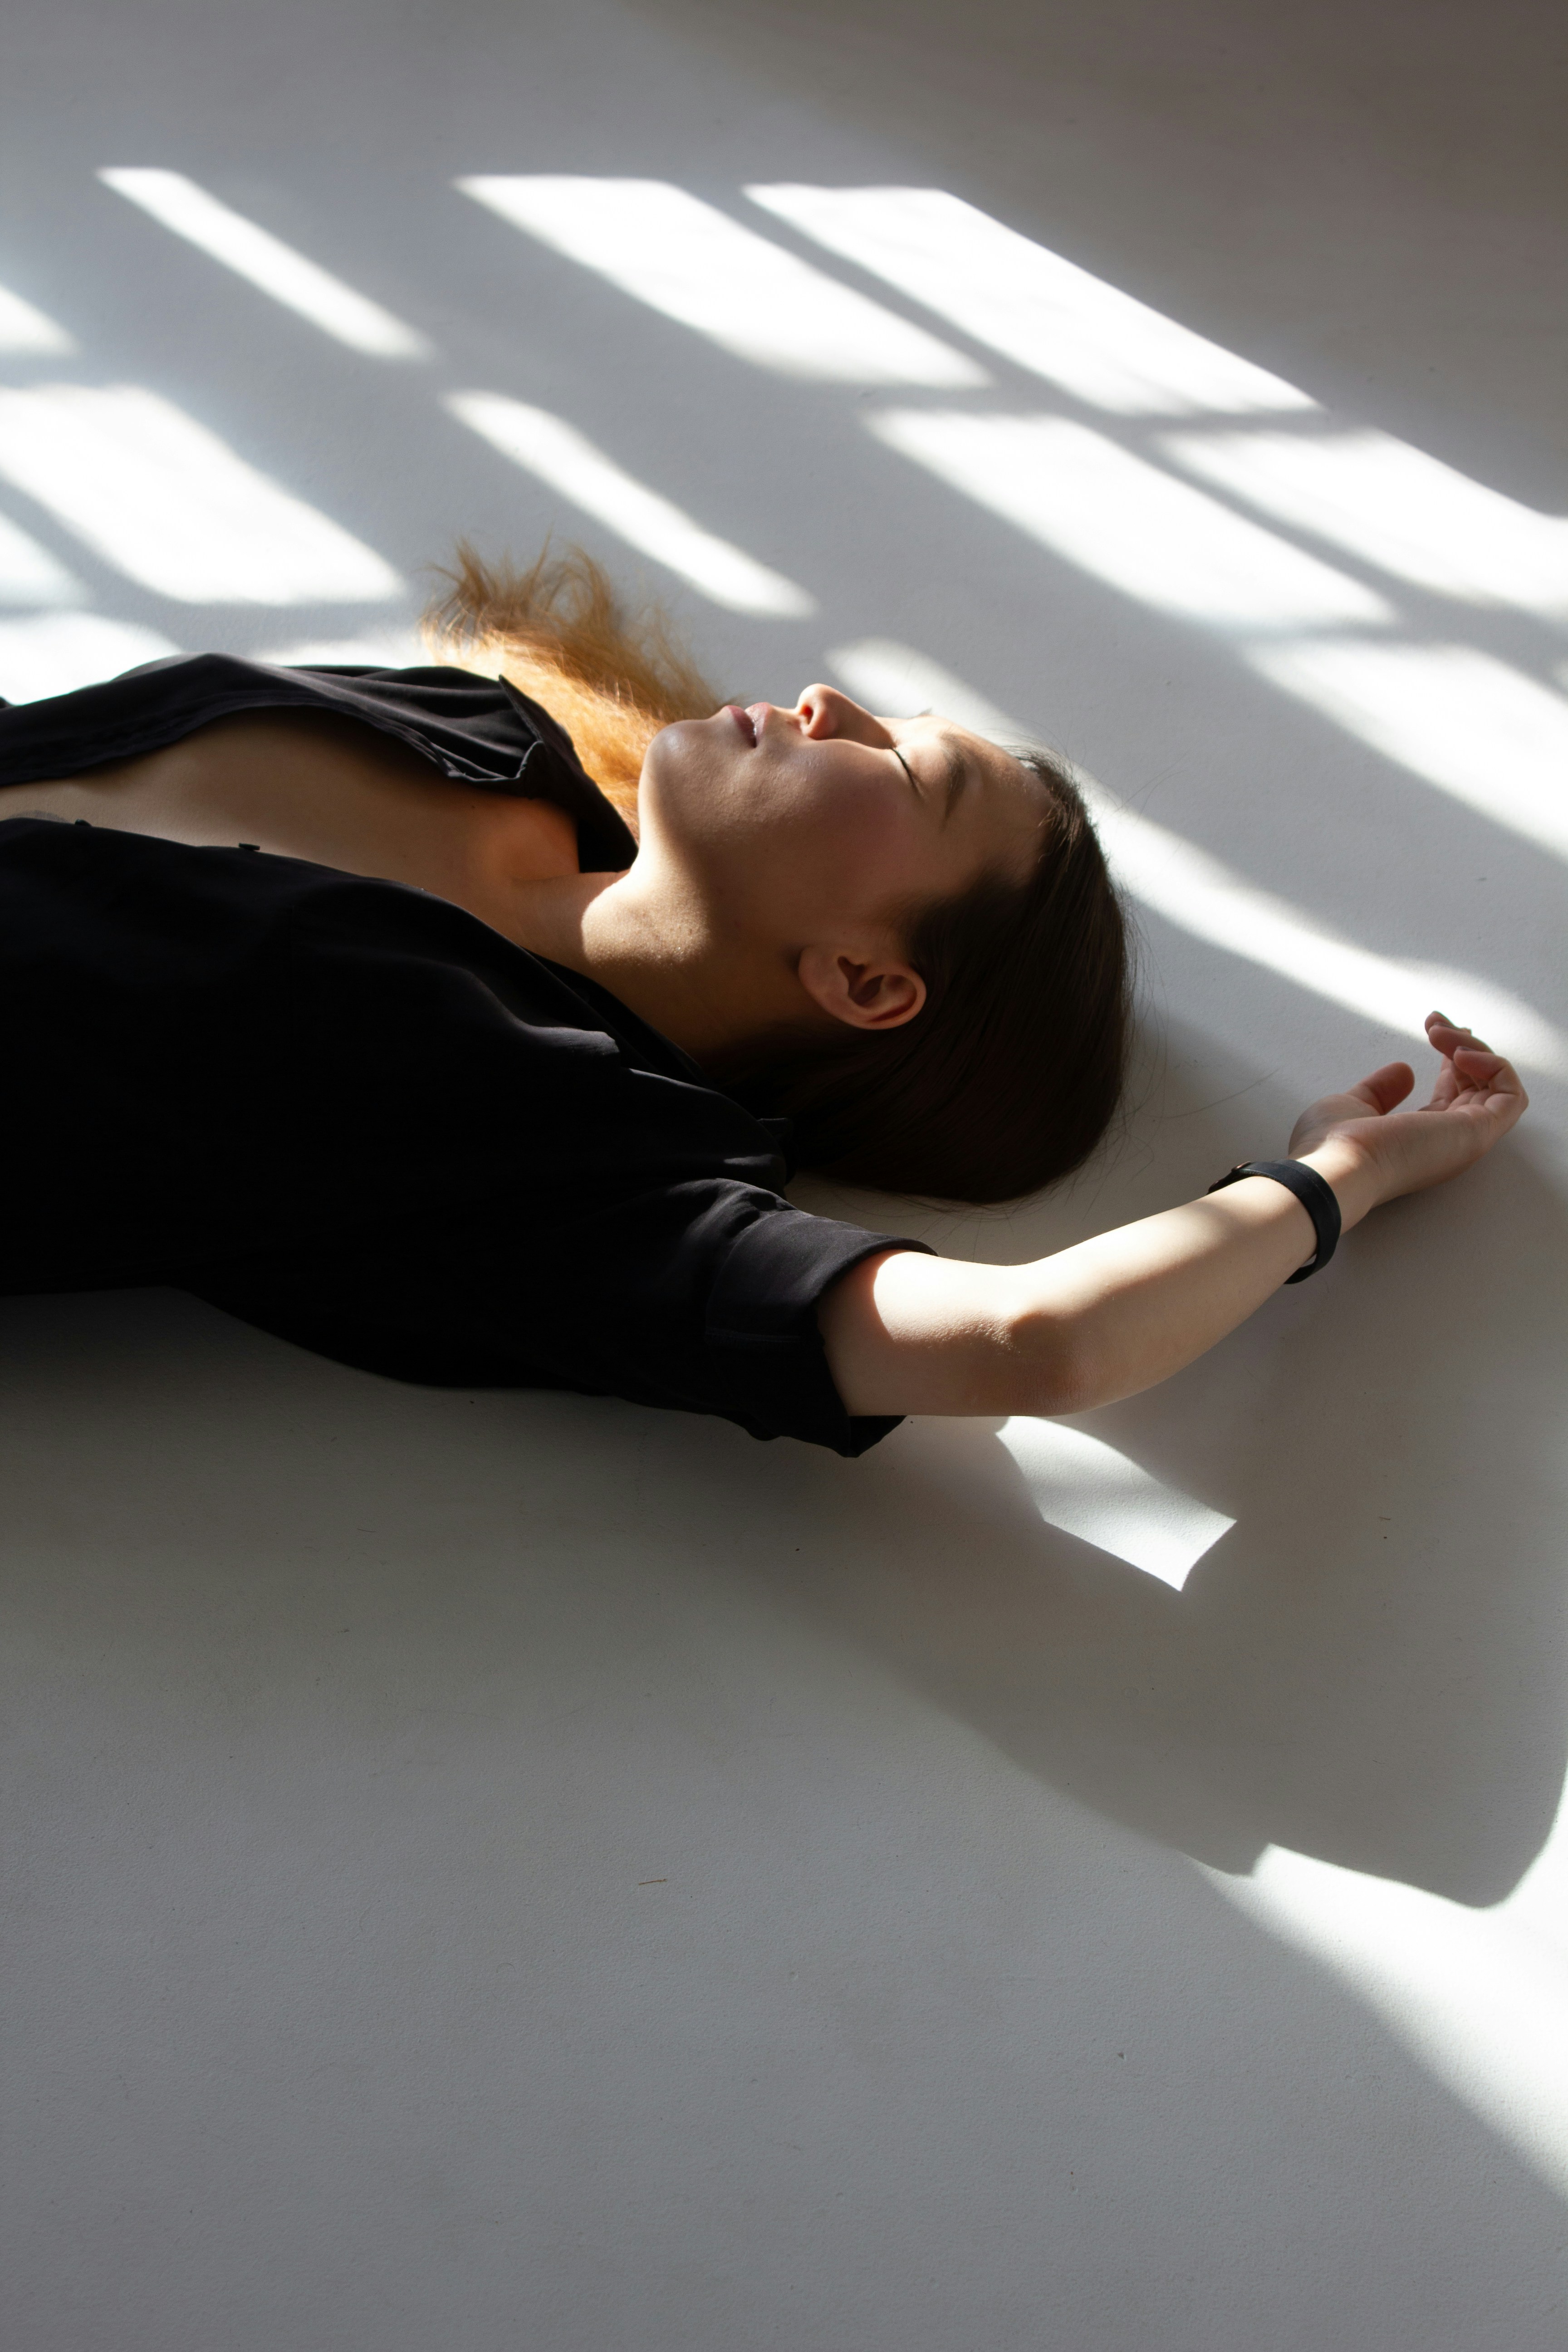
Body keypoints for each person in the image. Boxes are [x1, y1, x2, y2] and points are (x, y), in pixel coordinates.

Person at [0, 549, 1527, 1456]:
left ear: (867, 981)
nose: (829, 703)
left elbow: (1034, 1339)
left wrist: (1335, 1177)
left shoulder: (561, 1149)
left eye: (900, 765)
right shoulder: (482, 733)